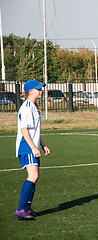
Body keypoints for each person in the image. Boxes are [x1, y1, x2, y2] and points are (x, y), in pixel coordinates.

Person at [15, 79, 50, 219]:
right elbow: (24, 130)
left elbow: (35, 130)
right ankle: (20, 210)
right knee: (33, 176)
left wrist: (43, 145)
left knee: (35, 177)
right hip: (26, 146)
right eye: (38, 89)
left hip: (32, 146)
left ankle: (27, 209)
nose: (41, 91)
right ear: (30, 91)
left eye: (41, 89)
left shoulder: (33, 106)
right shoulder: (27, 107)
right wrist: (33, 148)